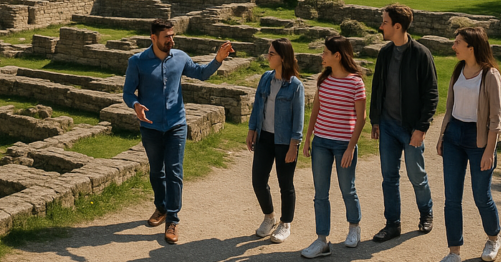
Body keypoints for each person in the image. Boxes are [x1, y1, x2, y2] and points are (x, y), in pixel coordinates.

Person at [123, 18, 234, 245]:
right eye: (167, 37)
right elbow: (127, 92)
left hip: (176, 125)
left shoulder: (180, 57)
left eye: (173, 36)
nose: (171, 40)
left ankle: (172, 219)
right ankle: (161, 207)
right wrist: (135, 105)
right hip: (150, 127)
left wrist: (218, 60)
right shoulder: (137, 62)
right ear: (153, 38)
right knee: (156, 172)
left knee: (174, 171)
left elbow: (201, 74)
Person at [370, 3, 439, 243]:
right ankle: (393, 224)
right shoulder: (385, 53)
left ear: (398, 26)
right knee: (389, 177)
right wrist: (375, 120)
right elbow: (377, 88)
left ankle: (426, 212)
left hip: (411, 129)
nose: (381, 26)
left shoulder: (421, 54)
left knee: (416, 174)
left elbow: (431, 94)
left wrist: (421, 128)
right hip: (387, 127)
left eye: (385, 22)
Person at [436, 27, 501, 262]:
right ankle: (454, 251)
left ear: (471, 47)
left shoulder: (490, 75)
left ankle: (493, 238)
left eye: (457, 43)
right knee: (451, 198)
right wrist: (443, 135)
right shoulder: (458, 69)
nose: (453, 46)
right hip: (454, 135)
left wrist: (489, 151)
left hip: (479, 140)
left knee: (480, 196)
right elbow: (450, 107)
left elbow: (495, 120)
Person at [301, 36, 367, 258]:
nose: (322, 56)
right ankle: (322, 241)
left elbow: (361, 119)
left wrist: (350, 148)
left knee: (347, 188)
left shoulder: (356, 82)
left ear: (337, 55)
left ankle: (354, 228)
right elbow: (316, 111)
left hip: (343, 145)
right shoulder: (324, 80)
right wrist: (308, 137)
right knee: (320, 193)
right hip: (321, 143)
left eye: (325, 52)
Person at [248, 38, 305, 244]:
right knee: (258, 181)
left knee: (285, 184)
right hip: (264, 137)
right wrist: (251, 130)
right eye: (268, 53)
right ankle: (269, 217)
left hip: (285, 141)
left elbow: (299, 118)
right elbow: (257, 107)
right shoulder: (265, 78)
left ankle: (285, 223)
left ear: (283, 57)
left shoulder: (296, 86)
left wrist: (294, 146)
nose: (268, 56)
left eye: (271, 54)